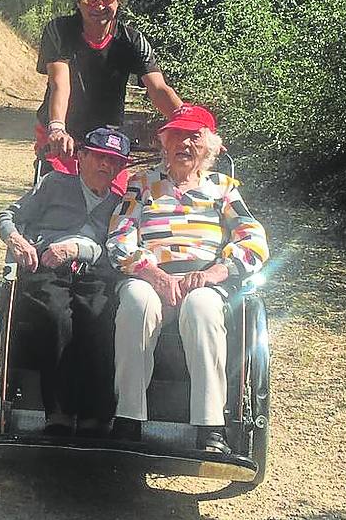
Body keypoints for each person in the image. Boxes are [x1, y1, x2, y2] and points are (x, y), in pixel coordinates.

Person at [106, 104, 269, 453]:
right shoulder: (142, 184)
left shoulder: (223, 189)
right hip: (150, 276)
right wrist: (154, 274)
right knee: (136, 302)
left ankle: (210, 427)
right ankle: (128, 419)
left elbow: (253, 239)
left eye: (194, 136)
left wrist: (215, 273)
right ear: (164, 144)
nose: (184, 143)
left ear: (209, 147)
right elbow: (119, 238)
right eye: (177, 135)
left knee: (203, 308)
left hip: (202, 279)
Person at [0, 126, 131, 436]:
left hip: (94, 270)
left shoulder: (120, 203)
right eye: (99, 157)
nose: (106, 166)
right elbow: (9, 215)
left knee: (100, 319)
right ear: (81, 157)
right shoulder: (55, 184)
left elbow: (118, 248)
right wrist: (16, 240)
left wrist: (78, 249)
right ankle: (58, 413)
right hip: (46, 266)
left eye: (115, 161)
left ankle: (96, 417)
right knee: (56, 318)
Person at [35, 0, 184, 192]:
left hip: (108, 140)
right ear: (78, 2)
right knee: (58, 202)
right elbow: (59, 84)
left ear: (118, 0)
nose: (99, 6)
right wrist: (57, 128)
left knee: (114, 208)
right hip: (63, 135)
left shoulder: (132, 40)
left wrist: (192, 126)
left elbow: (159, 88)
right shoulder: (59, 31)